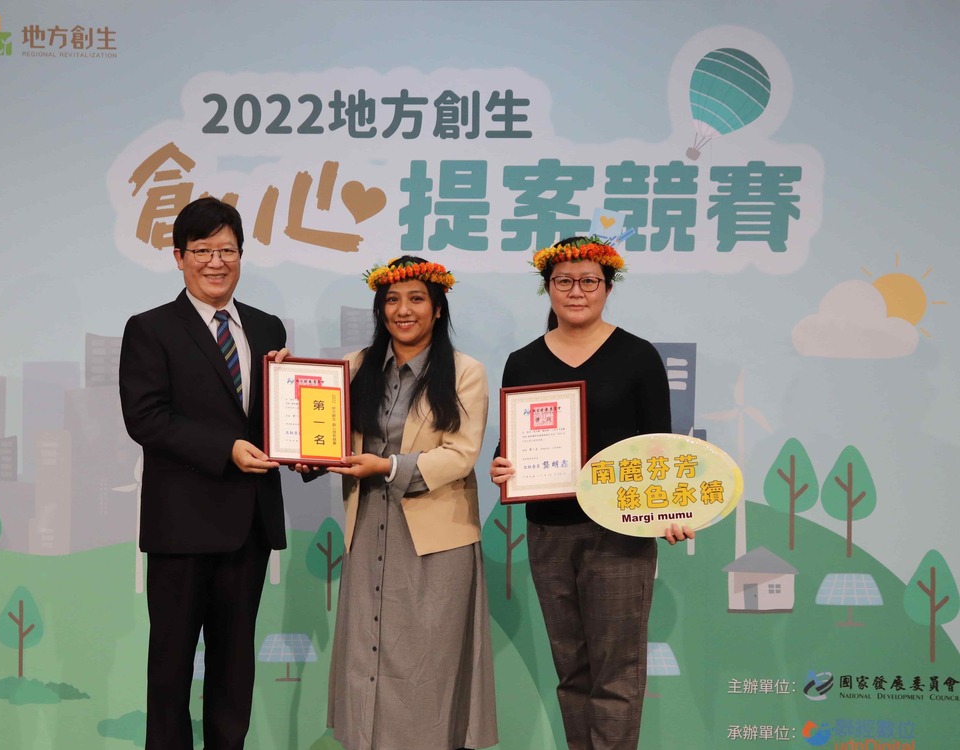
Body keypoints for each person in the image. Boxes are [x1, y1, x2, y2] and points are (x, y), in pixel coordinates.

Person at [489, 236, 694, 750]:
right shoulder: (523, 360)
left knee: (617, 671)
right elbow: (512, 442)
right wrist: (502, 466)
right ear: (547, 288)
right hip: (547, 532)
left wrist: (669, 508)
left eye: (589, 281)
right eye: (563, 281)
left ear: (607, 287)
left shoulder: (638, 356)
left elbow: (660, 447)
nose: (576, 291)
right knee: (572, 668)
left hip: (620, 532)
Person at [291, 256, 497, 750]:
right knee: (367, 656)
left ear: (439, 307)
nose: (402, 310)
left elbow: (461, 456)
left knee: (429, 667)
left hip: (437, 541)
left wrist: (387, 467)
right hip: (367, 533)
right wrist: (311, 456)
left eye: (416, 298)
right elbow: (330, 435)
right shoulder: (356, 367)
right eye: (391, 300)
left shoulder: (467, 372)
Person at [119, 196, 288, 750]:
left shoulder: (266, 328)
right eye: (203, 251)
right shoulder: (150, 329)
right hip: (182, 528)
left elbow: (272, 422)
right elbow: (146, 418)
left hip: (249, 526)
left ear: (241, 254)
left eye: (227, 250)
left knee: (234, 671)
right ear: (178, 257)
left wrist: (292, 405)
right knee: (170, 672)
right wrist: (228, 449)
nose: (217, 262)